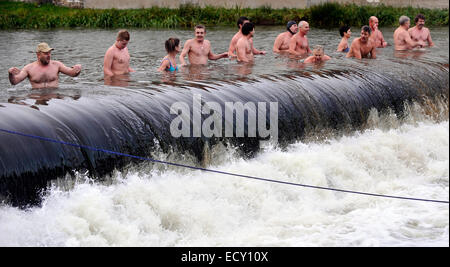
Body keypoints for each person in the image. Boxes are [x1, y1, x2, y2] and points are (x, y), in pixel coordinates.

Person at [8, 42, 82, 89]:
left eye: (49, 53)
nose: (49, 55)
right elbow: (14, 82)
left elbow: (73, 74)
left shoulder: (57, 65)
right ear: (38, 54)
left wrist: (77, 69)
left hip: (54, 98)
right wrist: (10, 74)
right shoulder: (29, 68)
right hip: (37, 97)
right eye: (46, 53)